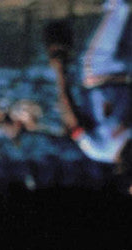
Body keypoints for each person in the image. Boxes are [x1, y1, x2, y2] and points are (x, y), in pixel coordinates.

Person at [46, 1, 131, 174]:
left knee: (118, 8)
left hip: (98, 70)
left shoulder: (99, 150)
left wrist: (60, 72)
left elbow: (70, 116)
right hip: (127, 73)